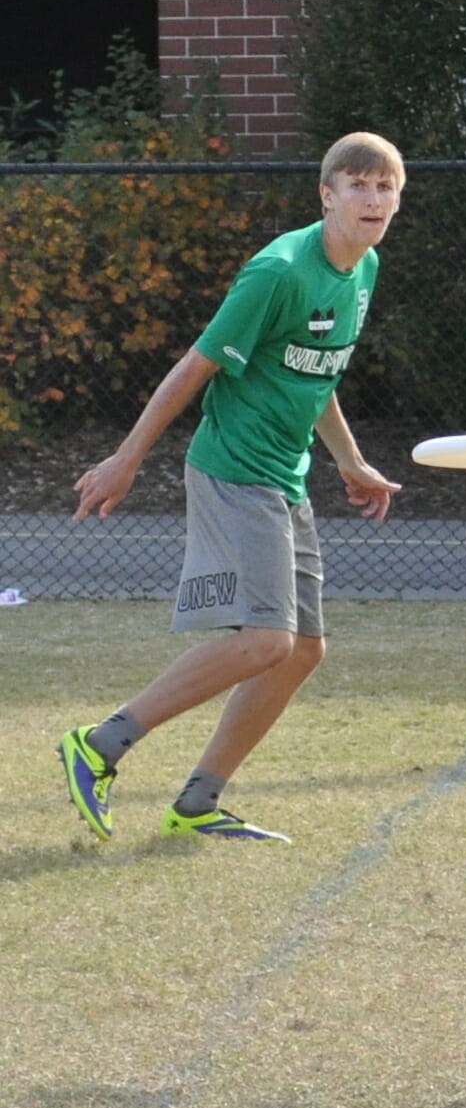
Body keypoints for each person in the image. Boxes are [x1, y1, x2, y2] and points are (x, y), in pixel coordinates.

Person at [58, 131, 405, 844]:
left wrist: (349, 459)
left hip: (287, 474)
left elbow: (318, 374)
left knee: (304, 648)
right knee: (264, 640)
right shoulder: (278, 271)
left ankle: (197, 803)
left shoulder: (364, 267)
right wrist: (127, 459)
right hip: (234, 469)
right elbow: (194, 366)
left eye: (386, 187)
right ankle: (99, 744)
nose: (373, 200)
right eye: (359, 185)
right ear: (327, 193)